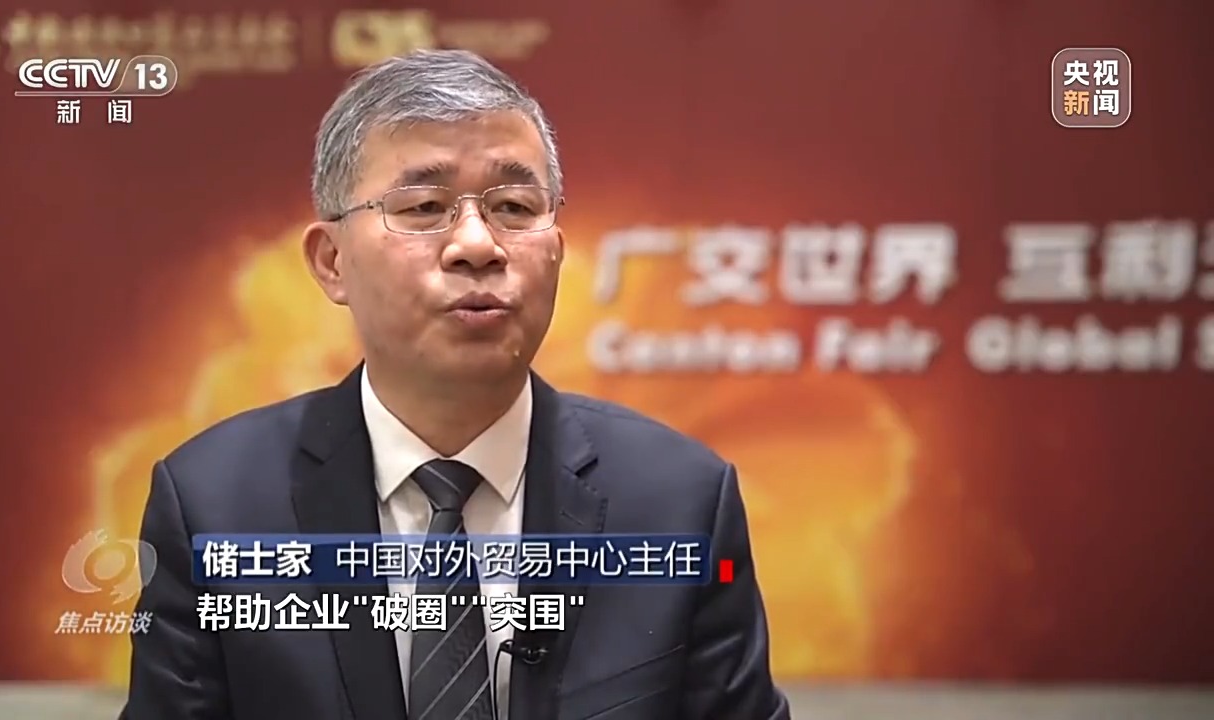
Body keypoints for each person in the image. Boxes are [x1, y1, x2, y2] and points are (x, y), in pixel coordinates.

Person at [120, 48, 789, 720]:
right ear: (331, 262)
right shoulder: (214, 505)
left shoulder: (679, 501)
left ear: (557, 251)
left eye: (514, 206)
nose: (477, 245)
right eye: (425, 206)